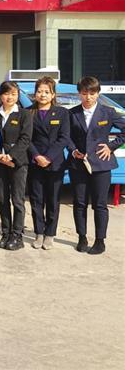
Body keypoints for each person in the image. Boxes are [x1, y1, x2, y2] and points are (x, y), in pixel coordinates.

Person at [67, 76, 125, 255]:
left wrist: (111, 146)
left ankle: (100, 241)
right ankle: (82, 237)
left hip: (101, 164)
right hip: (79, 164)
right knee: (79, 203)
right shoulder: (72, 113)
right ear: (79, 94)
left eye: (92, 93)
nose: (88, 97)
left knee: (99, 204)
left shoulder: (108, 112)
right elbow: (66, 136)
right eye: (84, 93)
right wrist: (73, 150)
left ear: (98, 93)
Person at [27, 76, 70, 250]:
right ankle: (39, 232)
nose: (42, 95)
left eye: (47, 92)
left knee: (53, 199)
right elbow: (26, 138)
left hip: (55, 163)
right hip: (35, 162)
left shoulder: (62, 113)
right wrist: (37, 156)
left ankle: (50, 234)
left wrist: (49, 157)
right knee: (36, 199)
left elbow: (64, 138)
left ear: (53, 95)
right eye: (39, 91)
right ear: (35, 94)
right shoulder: (28, 112)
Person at [0, 81, 33, 251]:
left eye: (14, 94)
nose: (10, 97)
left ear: (18, 96)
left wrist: (11, 156)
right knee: (2, 199)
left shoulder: (24, 114)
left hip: (18, 163)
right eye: (7, 94)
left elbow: (25, 139)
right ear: (1, 96)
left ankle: (17, 235)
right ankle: (6, 232)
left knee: (17, 200)